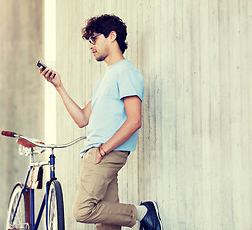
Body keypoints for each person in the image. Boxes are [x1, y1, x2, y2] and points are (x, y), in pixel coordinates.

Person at [39, 14, 162, 230]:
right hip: (98, 151)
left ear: (112, 36)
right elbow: (82, 119)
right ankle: (141, 214)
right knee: (106, 226)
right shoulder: (107, 78)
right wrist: (58, 86)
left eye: (94, 39)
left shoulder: (126, 72)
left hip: (104, 152)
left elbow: (134, 121)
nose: (91, 46)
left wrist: (103, 150)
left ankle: (143, 212)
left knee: (82, 209)